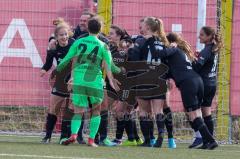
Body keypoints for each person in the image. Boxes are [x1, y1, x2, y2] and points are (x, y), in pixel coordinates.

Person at [56, 17, 119, 147]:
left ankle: (73, 135)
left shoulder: (78, 42)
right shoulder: (103, 45)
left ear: (88, 28)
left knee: (78, 111)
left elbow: (67, 59)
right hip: (94, 81)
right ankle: (91, 140)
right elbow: (111, 66)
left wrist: (56, 71)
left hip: (78, 80)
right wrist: (120, 72)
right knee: (96, 111)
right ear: (100, 29)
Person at [160, 32, 218, 150]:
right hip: (197, 81)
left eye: (164, 43)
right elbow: (172, 71)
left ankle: (211, 140)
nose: (163, 45)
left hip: (188, 84)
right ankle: (207, 141)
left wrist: (169, 47)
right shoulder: (181, 53)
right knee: (196, 114)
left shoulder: (173, 49)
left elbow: (161, 54)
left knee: (192, 115)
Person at [106, 25, 143, 146]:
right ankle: (135, 138)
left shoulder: (126, 45)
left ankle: (119, 139)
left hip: (127, 85)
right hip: (114, 84)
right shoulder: (111, 48)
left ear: (119, 35)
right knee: (121, 111)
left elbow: (129, 65)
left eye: (111, 33)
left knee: (120, 111)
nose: (109, 35)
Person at [40, 19, 74, 143]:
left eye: (65, 34)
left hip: (73, 80)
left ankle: (64, 136)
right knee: (53, 108)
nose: (64, 37)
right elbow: (48, 63)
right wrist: (44, 70)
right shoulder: (53, 46)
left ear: (69, 34)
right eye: (61, 35)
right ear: (56, 37)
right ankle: (47, 136)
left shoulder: (74, 44)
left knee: (69, 109)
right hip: (59, 81)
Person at [189, 26, 223, 148]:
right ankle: (208, 141)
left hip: (204, 84)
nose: (199, 36)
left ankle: (205, 139)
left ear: (209, 37)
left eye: (202, 35)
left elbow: (197, 67)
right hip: (212, 83)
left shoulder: (207, 50)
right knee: (206, 113)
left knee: (194, 111)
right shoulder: (213, 49)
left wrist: (191, 60)